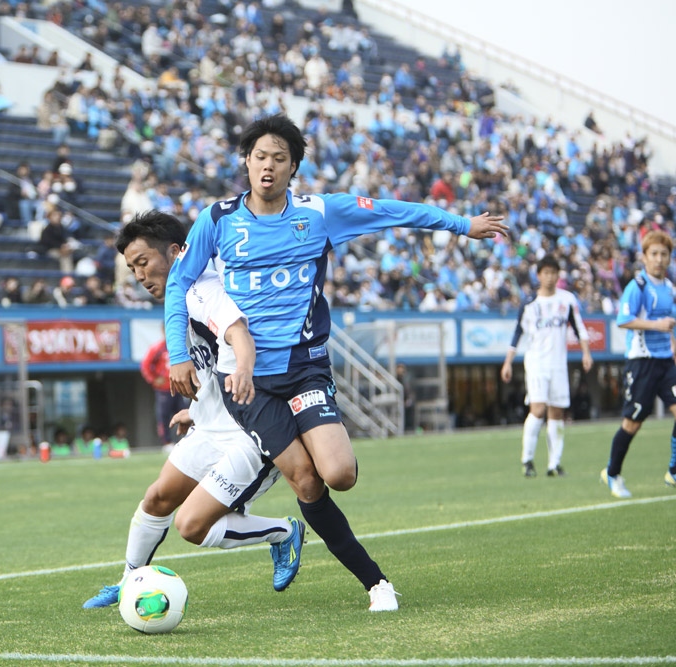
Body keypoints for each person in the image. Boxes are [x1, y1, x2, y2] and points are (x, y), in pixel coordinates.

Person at [164, 114, 508, 611]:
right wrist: (179, 354)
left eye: (280, 158)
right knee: (305, 478)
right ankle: (377, 584)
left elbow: (392, 211)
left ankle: (305, 479)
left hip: (305, 367)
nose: (268, 166)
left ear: (293, 168)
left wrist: (461, 225)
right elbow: (179, 283)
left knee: (340, 472)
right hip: (248, 382)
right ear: (246, 162)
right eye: (260, 156)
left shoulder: (319, 212)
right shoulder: (216, 220)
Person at [84, 211, 303, 609]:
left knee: (193, 526)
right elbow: (210, 364)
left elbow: (238, 336)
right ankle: (130, 580)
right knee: (157, 499)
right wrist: (197, 408)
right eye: (132, 268)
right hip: (211, 423)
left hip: (250, 431)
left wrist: (243, 376)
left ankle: (283, 532)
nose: (139, 275)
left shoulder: (203, 290)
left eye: (144, 262)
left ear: (175, 251)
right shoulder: (175, 303)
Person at [501, 256, 592, 477]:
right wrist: (508, 362)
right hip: (536, 363)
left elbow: (579, 328)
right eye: (546, 273)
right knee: (538, 409)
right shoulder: (530, 302)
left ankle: (554, 464)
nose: (550, 277)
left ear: (558, 275)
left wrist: (586, 353)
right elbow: (517, 332)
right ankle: (527, 460)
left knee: (557, 413)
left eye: (554, 273)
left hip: (558, 364)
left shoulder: (567, 299)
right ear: (539, 275)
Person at [602, 231, 676, 498]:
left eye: (663, 254)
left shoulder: (668, 288)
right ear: (644, 257)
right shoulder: (639, 286)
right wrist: (656, 324)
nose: (659, 259)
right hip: (641, 363)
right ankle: (612, 473)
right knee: (633, 423)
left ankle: (674, 470)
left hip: (666, 363)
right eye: (654, 254)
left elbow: (672, 323)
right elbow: (623, 320)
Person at [140, 335, 186, 447]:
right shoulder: (158, 347)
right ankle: (167, 443)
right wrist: (154, 379)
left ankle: (186, 439)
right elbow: (145, 365)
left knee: (185, 413)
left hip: (179, 387)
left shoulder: (179, 345)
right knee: (164, 416)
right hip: (164, 389)